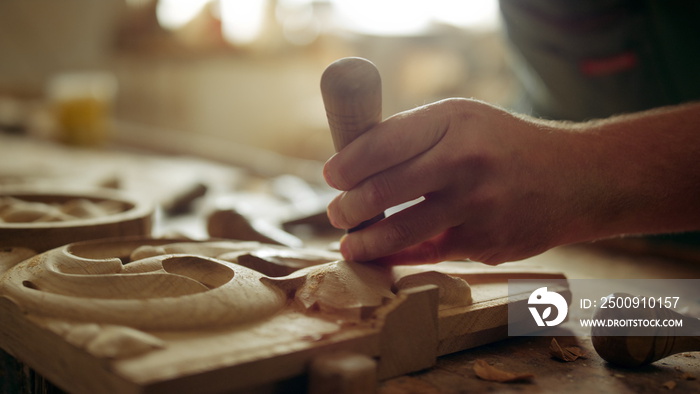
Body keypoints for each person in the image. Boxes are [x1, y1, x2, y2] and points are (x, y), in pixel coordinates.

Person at [322, 0, 700, 265]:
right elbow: (547, 98)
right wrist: (464, 172)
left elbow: (553, 158)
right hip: (593, 255)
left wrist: (568, 168)